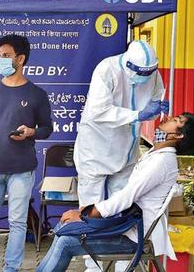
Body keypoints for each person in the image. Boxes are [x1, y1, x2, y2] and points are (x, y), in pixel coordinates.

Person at [37, 113, 194, 272]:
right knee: (63, 229)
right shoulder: (156, 154)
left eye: (176, 120)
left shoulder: (161, 162)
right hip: (126, 225)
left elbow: (126, 197)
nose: (167, 118)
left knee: (66, 241)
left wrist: (86, 215)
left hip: (134, 237)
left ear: (178, 135)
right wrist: (86, 211)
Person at [74, 40, 168, 271]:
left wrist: (157, 108)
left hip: (127, 150)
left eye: (149, 73)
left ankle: (124, 263)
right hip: (96, 149)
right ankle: (93, 265)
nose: (144, 77)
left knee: (124, 208)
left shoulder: (152, 73)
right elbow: (98, 111)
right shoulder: (107, 69)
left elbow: (157, 95)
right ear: (127, 64)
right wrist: (138, 114)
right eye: (139, 73)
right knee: (91, 209)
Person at [0, 34, 53, 272]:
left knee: (17, 222)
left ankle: (11, 269)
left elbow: (47, 129)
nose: (1, 60)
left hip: (22, 170)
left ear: (21, 59)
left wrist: (30, 132)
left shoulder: (36, 94)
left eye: (6, 56)